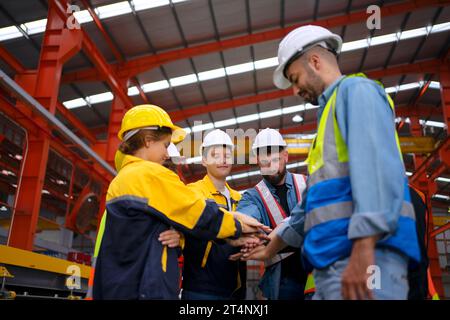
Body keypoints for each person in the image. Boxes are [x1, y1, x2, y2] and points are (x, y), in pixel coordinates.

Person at [264, 24, 420, 300]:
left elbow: (376, 169)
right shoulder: (328, 117)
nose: (295, 90)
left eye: (295, 78)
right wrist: (273, 244)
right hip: (333, 262)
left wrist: (364, 247)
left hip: (366, 257)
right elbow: (313, 201)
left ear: (314, 61)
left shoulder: (356, 91)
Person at [92, 104, 268, 300]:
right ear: (148, 141)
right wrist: (237, 226)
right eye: (166, 145)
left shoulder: (124, 177)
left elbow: (155, 230)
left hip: (127, 285)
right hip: (153, 287)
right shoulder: (149, 174)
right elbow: (197, 212)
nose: (167, 154)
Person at [236, 128, 309, 300]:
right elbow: (245, 219)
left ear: (285, 156)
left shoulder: (307, 183)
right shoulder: (251, 198)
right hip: (281, 282)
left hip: (315, 272)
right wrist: (247, 233)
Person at [181, 129, 247, 300]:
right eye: (215, 155)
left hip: (235, 289)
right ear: (204, 160)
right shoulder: (193, 193)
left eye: (227, 155)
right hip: (200, 289)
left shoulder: (239, 199)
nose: (223, 160)